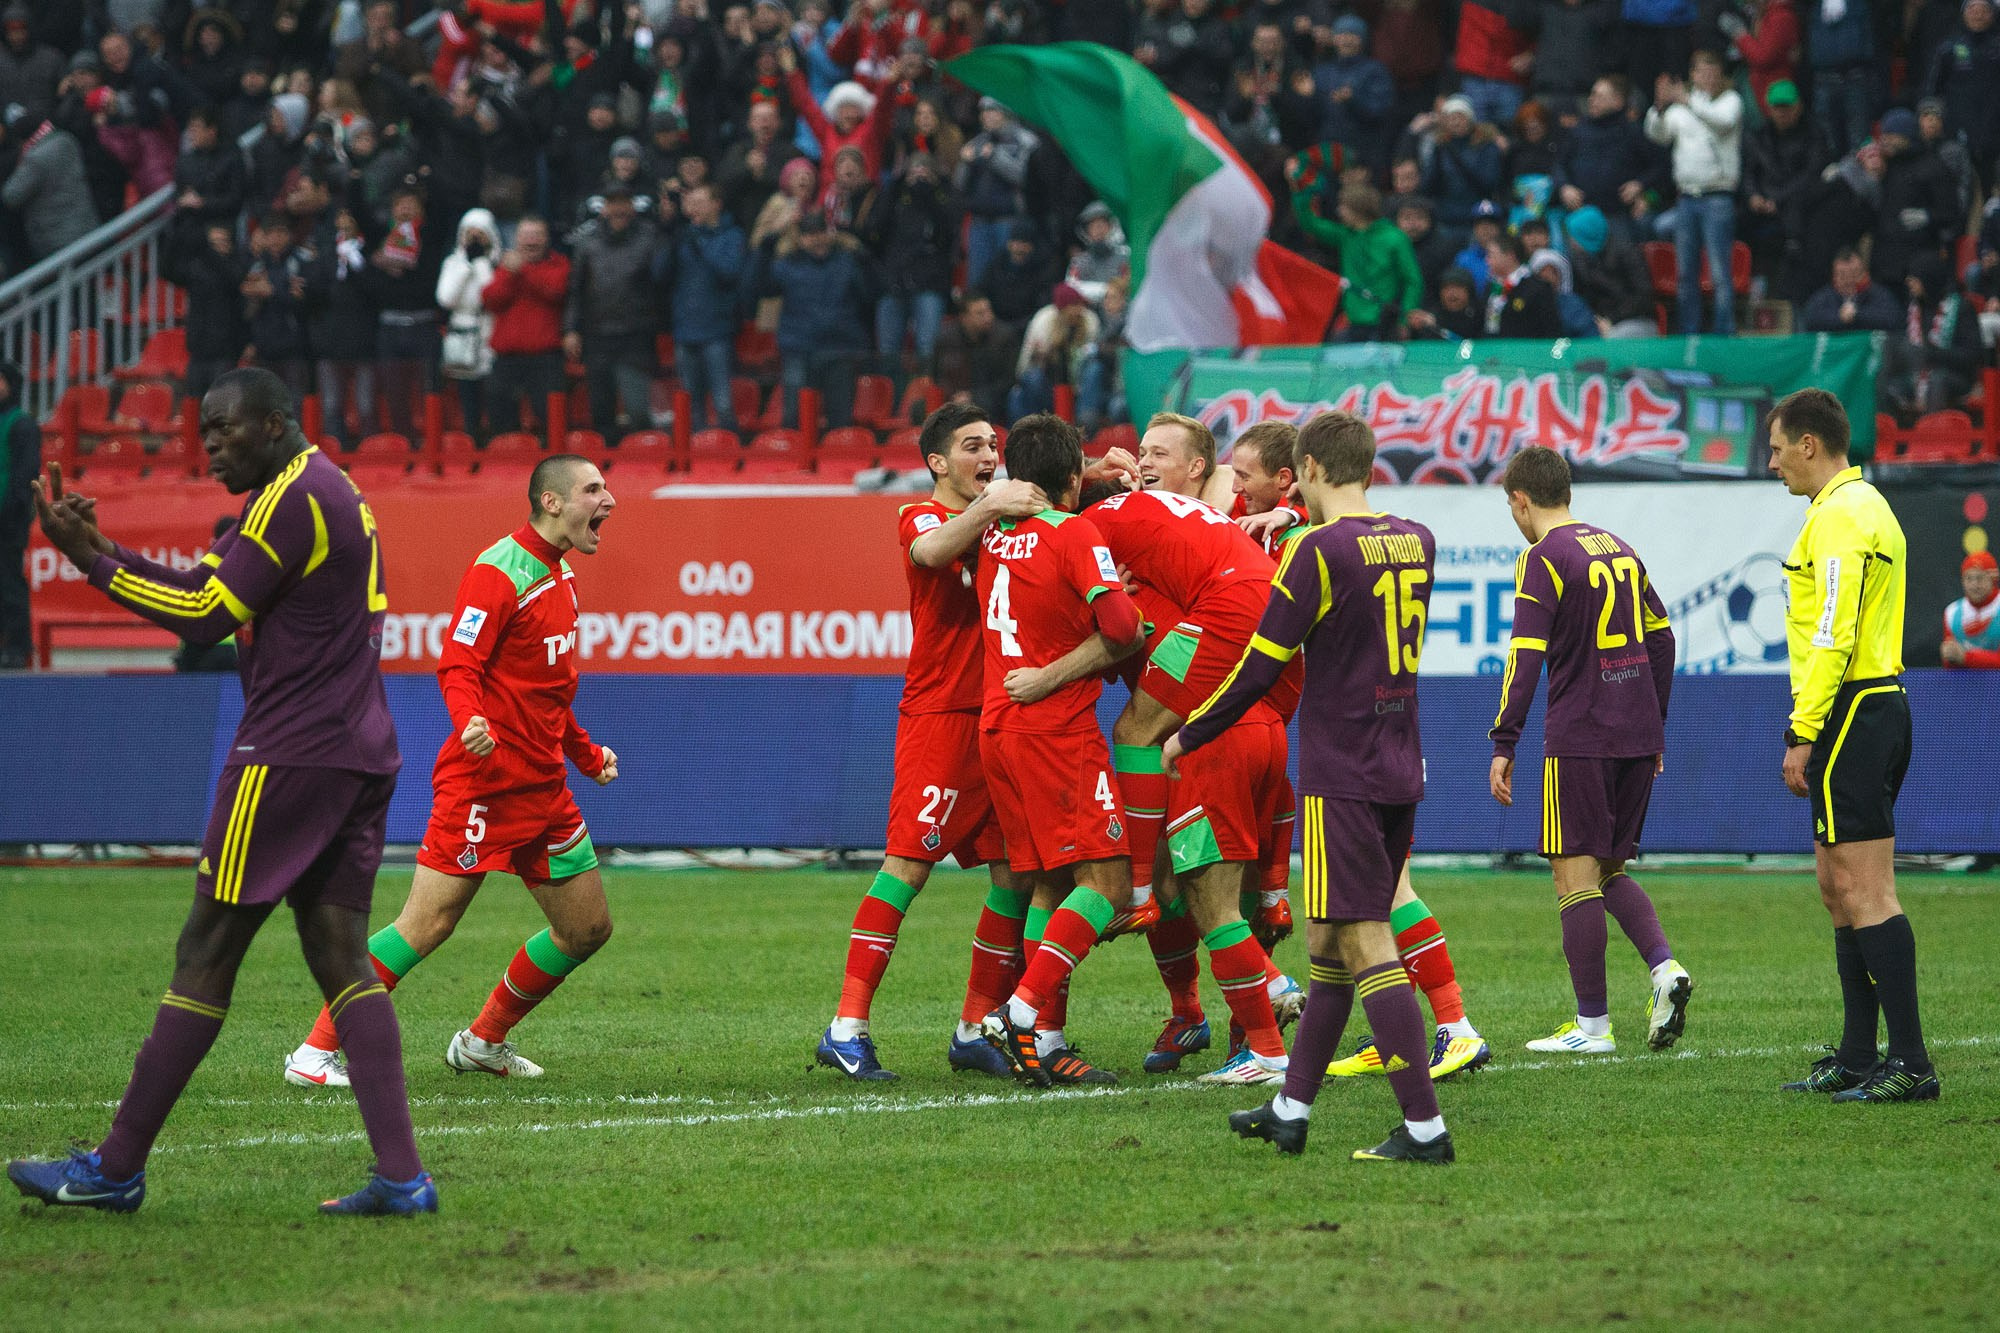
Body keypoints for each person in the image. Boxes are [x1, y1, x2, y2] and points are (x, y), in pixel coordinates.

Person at [10, 368, 429, 1215]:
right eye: (203, 431)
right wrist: (105, 550)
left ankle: (115, 1168)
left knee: (205, 950)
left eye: (223, 429)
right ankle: (402, 1177)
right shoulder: (318, 489)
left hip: (289, 756)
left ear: (273, 424)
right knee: (341, 956)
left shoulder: (290, 498)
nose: (209, 446)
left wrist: (89, 562)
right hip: (358, 749)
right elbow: (207, 580)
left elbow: (204, 612)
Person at [1169, 410, 1452, 1164]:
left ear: (1312, 469)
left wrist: (1190, 732)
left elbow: (1260, 666)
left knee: (1364, 938)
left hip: (1343, 769)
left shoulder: (1315, 551)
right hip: (1401, 760)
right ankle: (1291, 1108)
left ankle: (1425, 1128)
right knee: (1326, 944)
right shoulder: (1418, 538)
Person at [286, 455, 620, 1087]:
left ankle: (482, 1042)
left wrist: (585, 754)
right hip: (484, 785)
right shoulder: (498, 570)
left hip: (545, 789)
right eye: (593, 489)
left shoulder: (563, 576)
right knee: (427, 923)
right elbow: (458, 663)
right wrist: (470, 720)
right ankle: (314, 1053)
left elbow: (550, 690)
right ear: (551, 502)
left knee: (586, 929)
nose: (609, 500)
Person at [815, 404, 1049, 1082]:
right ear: (937, 462)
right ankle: (846, 1026)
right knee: (907, 867)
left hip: (1003, 718)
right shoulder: (920, 515)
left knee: (1015, 874)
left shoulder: (1006, 521)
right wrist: (992, 506)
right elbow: (931, 552)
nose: (988, 456)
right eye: (972, 446)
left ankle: (975, 1028)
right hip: (941, 717)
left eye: (993, 445)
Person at [1487, 444, 1692, 1054]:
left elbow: (1525, 653)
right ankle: (1664, 968)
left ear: (1521, 500)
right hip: (1636, 735)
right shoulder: (1619, 548)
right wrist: (1654, 724)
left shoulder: (1542, 557)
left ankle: (1592, 1027)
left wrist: (1505, 738)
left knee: (1573, 876)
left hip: (1580, 735)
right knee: (1609, 869)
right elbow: (1662, 639)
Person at [1768, 388, 1938, 1102]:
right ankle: (1860, 1054)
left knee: (1866, 889)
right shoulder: (1856, 507)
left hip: (1855, 709)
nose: (1773, 463)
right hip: (1864, 705)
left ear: (1809, 444)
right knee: (1837, 887)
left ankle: (1912, 1064)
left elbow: (1834, 629)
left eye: (1778, 449)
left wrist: (1804, 729)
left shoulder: (1842, 514)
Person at [974, 414, 1146, 1086]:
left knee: (1050, 881)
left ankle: (1043, 1040)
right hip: (1055, 732)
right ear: (1072, 478)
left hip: (1000, 727)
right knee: (1107, 884)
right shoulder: (1074, 533)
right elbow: (1123, 628)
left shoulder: (993, 534)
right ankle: (1019, 1012)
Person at [1645, 52, 1742, 337]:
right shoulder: (1681, 108)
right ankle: (1690, 334)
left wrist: (1686, 100)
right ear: (1693, 75)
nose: (1708, 77)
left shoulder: (1730, 101)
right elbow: (1658, 135)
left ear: (1720, 74)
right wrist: (1659, 107)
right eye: (1702, 71)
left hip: (1717, 197)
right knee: (1685, 272)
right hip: (1687, 198)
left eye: (1713, 71)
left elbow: (1722, 122)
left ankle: (1724, 333)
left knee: (1719, 272)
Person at [564, 186, 661, 438]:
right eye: (613, 203)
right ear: (604, 208)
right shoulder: (587, 242)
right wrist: (571, 329)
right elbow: (576, 290)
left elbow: (662, 280)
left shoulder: (649, 238)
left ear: (632, 207)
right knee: (601, 408)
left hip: (635, 335)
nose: (618, 209)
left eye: (623, 203)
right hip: (597, 335)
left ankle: (643, 455)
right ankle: (606, 458)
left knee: (638, 408)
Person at [657, 181, 748, 434]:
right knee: (690, 402)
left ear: (716, 204)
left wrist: (700, 243)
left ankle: (728, 448)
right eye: (691, 203)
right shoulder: (682, 236)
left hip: (717, 330)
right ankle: (694, 451)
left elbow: (729, 272)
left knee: (723, 402)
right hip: (685, 329)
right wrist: (671, 236)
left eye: (700, 202)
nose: (693, 208)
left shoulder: (732, 235)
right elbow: (660, 274)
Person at [1289, 174, 1423, 339]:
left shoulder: (1395, 238)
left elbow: (1412, 280)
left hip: (1384, 323)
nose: (1339, 211)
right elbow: (1310, 224)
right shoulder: (1346, 236)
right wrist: (1302, 191)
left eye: (1344, 206)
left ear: (1358, 208)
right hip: (1351, 321)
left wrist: (1405, 317)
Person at [482, 216, 571, 435]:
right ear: (516, 239)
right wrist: (509, 274)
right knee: (500, 418)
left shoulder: (559, 264)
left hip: (545, 357)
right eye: (526, 236)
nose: (531, 241)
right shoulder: (506, 268)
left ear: (547, 239)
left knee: (551, 419)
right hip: (507, 358)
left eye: (537, 235)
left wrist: (522, 270)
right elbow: (490, 299)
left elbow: (555, 291)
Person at [437, 208, 500, 441]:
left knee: (493, 396)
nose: (474, 238)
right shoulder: (452, 262)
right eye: (469, 233)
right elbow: (446, 298)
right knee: (468, 399)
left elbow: (491, 296)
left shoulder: (497, 263)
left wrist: (481, 263)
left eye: (480, 233)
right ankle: (471, 441)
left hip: (489, 330)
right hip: (462, 334)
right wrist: (466, 264)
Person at [0, 358, 37, 669]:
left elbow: (25, 475)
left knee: (9, 583)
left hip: (8, 522)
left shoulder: (22, 424)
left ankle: (17, 646)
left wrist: (12, 512)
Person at [935, 290, 1023, 422]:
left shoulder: (1004, 337)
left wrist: (973, 396)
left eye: (989, 311)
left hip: (993, 398)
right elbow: (937, 375)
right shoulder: (947, 339)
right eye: (980, 313)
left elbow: (1008, 380)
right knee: (920, 407)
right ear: (964, 317)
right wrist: (954, 395)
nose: (988, 317)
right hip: (953, 397)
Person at [1800, 249, 1903, 334]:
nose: (1849, 280)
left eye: (1854, 274)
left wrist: (1857, 315)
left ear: (1864, 273)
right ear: (1834, 276)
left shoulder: (1880, 294)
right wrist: (1839, 317)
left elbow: (1892, 319)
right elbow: (1811, 319)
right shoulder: (1823, 297)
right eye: (1843, 275)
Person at [1942, 551, 2000, 667]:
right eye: (1968, 578)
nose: (1974, 585)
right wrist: (1949, 655)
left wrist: (1965, 657)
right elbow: (1949, 667)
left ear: (1994, 578)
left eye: (1980, 578)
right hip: (1964, 679)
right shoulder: (1952, 612)